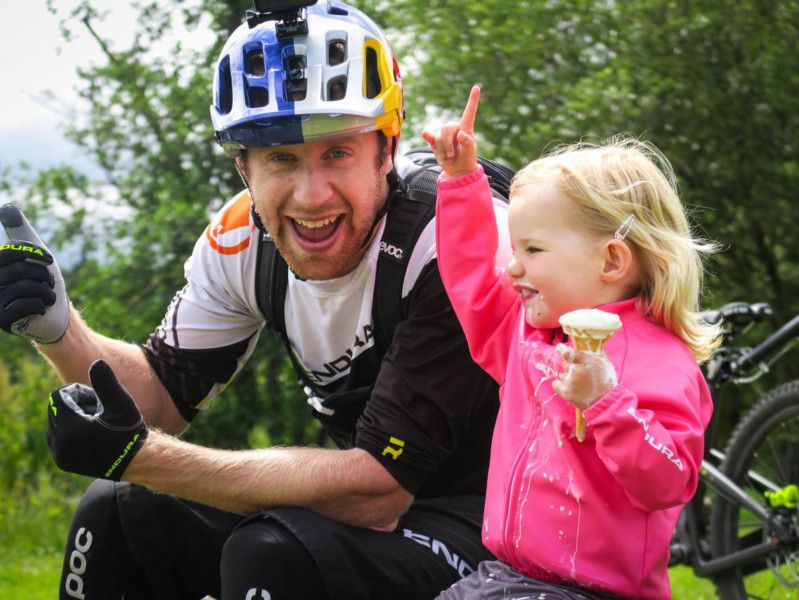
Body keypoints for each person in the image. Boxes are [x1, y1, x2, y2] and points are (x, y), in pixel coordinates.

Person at [0, 4, 513, 599]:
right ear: (242, 165)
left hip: (500, 525)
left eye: (337, 152)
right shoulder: (244, 239)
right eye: (280, 159)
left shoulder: (452, 237)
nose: (311, 195)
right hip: (390, 522)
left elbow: (378, 489)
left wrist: (140, 458)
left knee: (274, 556)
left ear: (386, 146)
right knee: (116, 511)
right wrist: (61, 330)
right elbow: (160, 400)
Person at [422, 86, 721, 599]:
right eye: (515, 248)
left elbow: (668, 481)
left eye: (533, 249)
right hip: (509, 575)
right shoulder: (525, 334)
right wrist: (461, 180)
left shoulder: (661, 361)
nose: (513, 266)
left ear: (611, 261)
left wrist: (607, 403)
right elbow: (472, 278)